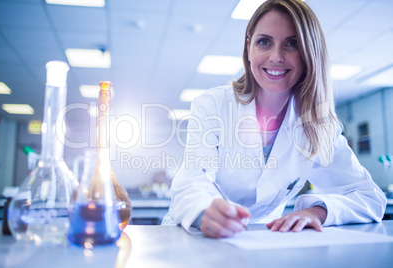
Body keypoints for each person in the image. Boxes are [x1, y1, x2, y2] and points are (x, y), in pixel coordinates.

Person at [161, 0, 387, 238]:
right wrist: (205, 210)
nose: (276, 56)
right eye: (264, 42)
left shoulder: (319, 125)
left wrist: (318, 212)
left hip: (264, 239)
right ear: (249, 48)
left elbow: (369, 197)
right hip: (197, 237)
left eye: (292, 44)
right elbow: (191, 184)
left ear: (308, 53)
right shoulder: (213, 105)